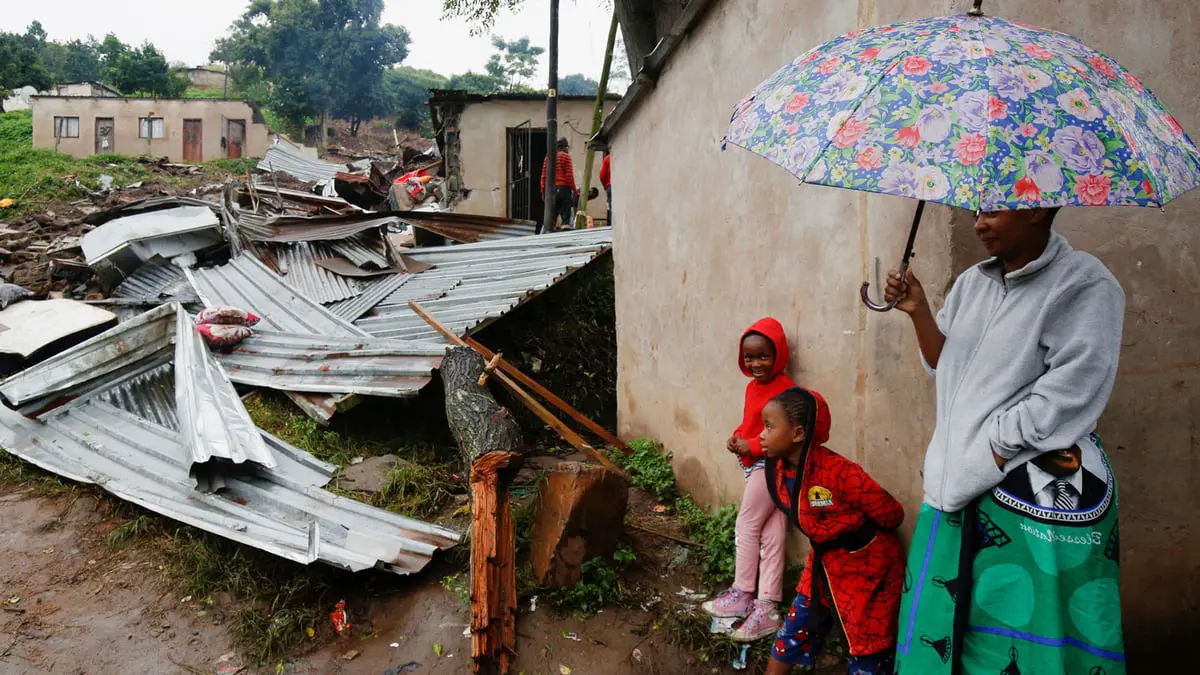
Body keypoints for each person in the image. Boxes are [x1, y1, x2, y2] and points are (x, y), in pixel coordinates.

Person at [883, 208, 1127, 675]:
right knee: (946, 629)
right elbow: (945, 367)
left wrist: (998, 445)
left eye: (993, 209)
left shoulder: (1084, 284)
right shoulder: (973, 283)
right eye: (977, 210)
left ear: (1038, 208)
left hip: (1031, 493)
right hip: (955, 485)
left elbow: (1075, 387)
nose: (979, 223)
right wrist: (919, 312)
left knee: (1026, 635)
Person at [762, 387, 905, 675]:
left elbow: (892, 512)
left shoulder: (839, 472)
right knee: (792, 631)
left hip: (866, 567)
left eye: (768, 426)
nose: (761, 434)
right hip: (824, 564)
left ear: (798, 434)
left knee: (866, 647)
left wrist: (850, 534)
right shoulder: (777, 469)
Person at [701, 318, 796, 641]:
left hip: (772, 465)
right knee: (772, 533)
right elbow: (753, 424)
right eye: (749, 358)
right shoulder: (753, 387)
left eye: (763, 356)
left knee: (747, 525)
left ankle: (742, 593)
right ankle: (768, 607)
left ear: (779, 354)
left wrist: (752, 445)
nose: (755, 364)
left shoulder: (786, 392)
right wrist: (738, 437)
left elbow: (781, 436)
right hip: (757, 464)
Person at [540, 137, 579, 233]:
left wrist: (543, 192)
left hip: (550, 191)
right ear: (565, 147)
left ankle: (546, 235)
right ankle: (565, 237)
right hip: (563, 189)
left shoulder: (547, 158)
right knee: (565, 218)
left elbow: (543, 177)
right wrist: (574, 189)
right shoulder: (566, 157)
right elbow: (569, 176)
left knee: (551, 218)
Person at [599, 152, 612, 226]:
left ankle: (611, 226)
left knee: (611, 207)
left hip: (610, 186)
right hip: (622, 186)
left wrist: (605, 186)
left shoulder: (607, 158)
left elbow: (602, 176)